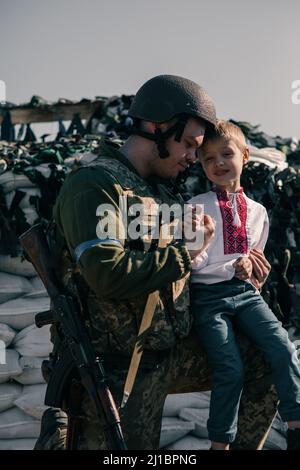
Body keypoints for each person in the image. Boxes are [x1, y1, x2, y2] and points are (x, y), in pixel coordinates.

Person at [36, 75, 277, 450]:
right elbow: (106, 274)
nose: (193, 159)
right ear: (157, 127)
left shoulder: (164, 191)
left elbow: (198, 271)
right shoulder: (96, 185)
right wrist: (184, 254)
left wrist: (242, 271)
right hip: (116, 365)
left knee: (271, 359)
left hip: (172, 348)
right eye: (189, 145)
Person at [189, 120, 300, 450]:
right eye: (208, 158)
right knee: (230, 369)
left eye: (226, 154)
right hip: (208, 298)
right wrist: (202, 246)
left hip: (246, 295)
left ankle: (295, 425)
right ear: (202, 165)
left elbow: (256, 261)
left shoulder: (258, 212)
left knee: (283, 348)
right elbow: (189, 265)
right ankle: (220, 443)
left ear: (245, 155)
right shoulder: (195, 207)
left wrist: (250, 269)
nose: (218, 163)